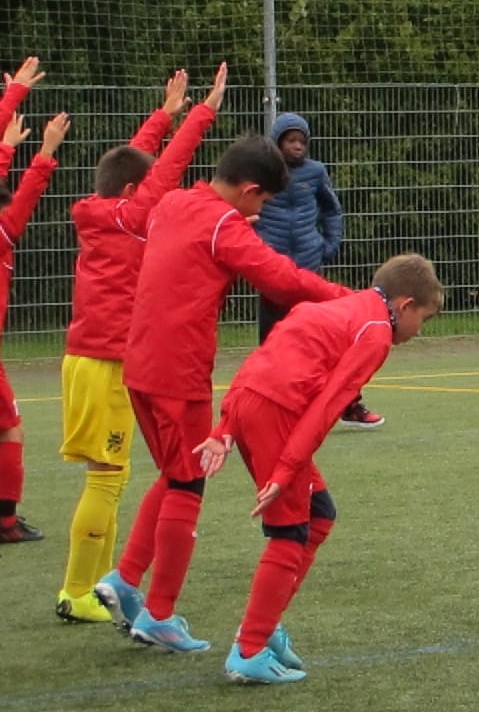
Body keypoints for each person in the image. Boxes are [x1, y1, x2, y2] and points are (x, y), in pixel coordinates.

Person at [94, 134, 351, 653]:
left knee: (174, 475)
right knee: (188, 485)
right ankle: (159, 615)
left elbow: (194, 247)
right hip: (179, 369)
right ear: (250, 189)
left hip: (140, 362)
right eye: (263, 201)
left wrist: (233, 232)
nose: (262, 211)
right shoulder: (223, 225)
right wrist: (348, 299)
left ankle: (125, 578)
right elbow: (280, 279)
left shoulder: (174, 203)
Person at [196, 253, 443, 683]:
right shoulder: (375, 334)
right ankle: (249, 649)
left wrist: (227, 422)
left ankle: (265, 624)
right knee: (290, 532)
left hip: (252, 402)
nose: (419, 330)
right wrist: (286, 469)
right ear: (405, 305)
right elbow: (328, 406)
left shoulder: (341, 307)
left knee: (320, 514)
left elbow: (264, 356)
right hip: (277, 415)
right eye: (423, 319)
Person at [56, 64, 225, 623]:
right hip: (107, 361)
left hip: (89, 358)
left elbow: (133, 166)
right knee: (108, 478)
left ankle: (102, 585)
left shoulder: (104, 209)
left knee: (116, 475)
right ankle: (78, 592)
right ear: (132, 194)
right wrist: (202, 114)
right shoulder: (131, 218)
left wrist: (164, 116)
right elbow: (163, 170)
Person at [256, 113, 377, 429]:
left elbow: (332, 210)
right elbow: (246, 211)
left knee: (328, 338)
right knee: (272, 343)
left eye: (302, 141)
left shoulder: (316, 171)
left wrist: (329, 244)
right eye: (290, 140)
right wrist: (257, 249)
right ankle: (269, 407)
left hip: (310, 269)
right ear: (277, 142)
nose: (297, 146)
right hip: (273, 272)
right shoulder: (261, 172)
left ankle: (350, 404)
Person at [0, 60, 71, 547]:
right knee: (10, 431)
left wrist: (7, 144)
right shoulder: (4, 233)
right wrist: (44, 152)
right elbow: (24, 196)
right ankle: (5, 523)